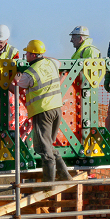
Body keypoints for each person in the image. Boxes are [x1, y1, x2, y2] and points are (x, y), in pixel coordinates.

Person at [11, 39, 73, 187]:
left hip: (42, 111)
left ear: (33, 55)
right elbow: (57, 61)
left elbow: (17, 86)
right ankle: (65, 176)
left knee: (45, 149)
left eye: (27, 53)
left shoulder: (30, 72)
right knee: (49, 144)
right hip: (56, 109)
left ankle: (48, 184)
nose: (25, 55)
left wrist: (13, 77)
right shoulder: (50, 64)